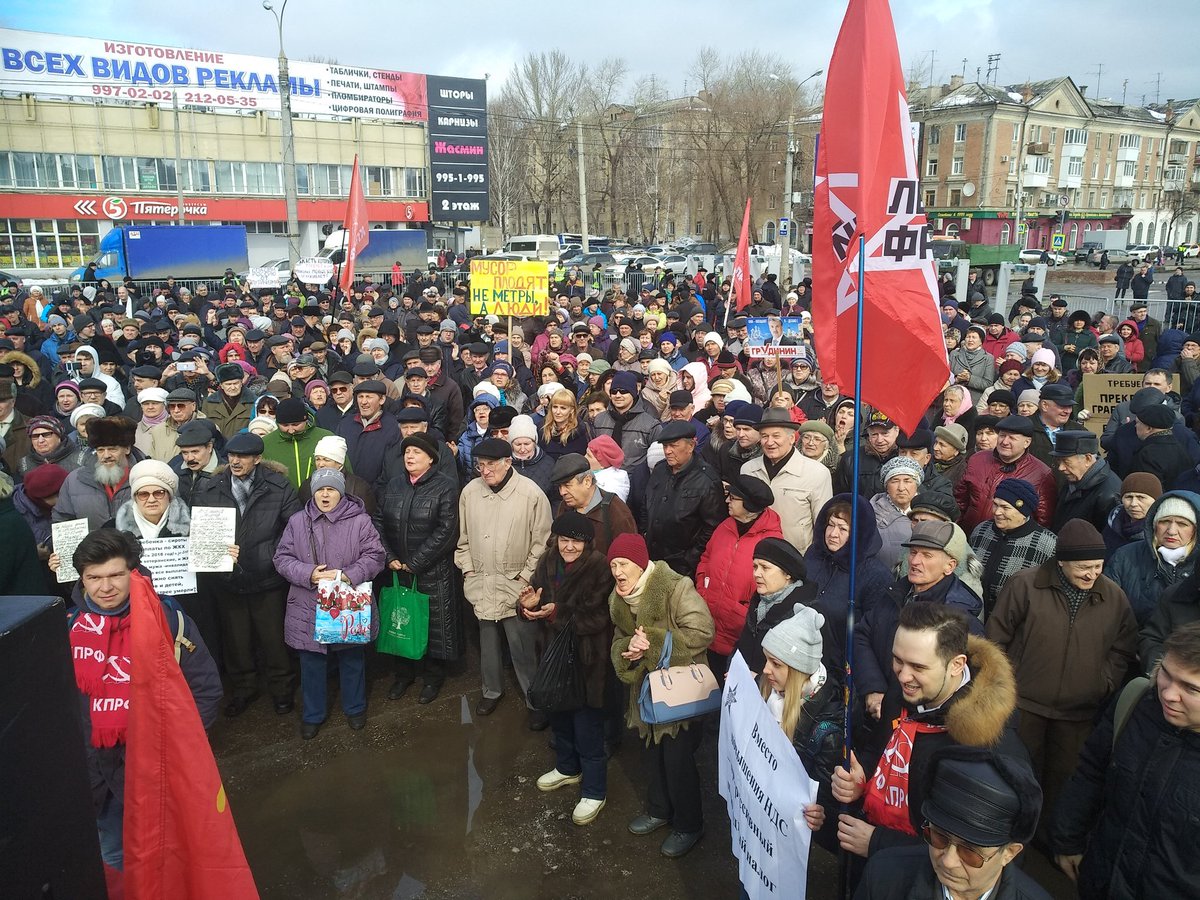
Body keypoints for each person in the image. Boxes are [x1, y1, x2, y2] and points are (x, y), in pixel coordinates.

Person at [68, 529, 221, 871]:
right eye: (93, 578)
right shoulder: (68, 629)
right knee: (115, 858)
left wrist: (180, 749)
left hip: (160, 769)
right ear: (82, 579)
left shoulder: (167, 618)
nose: (105, 588)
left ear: (133, 573)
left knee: (174, 857)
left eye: (115, 576)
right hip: (100, 778)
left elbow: (206, 689)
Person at [833, 602, 1025, 865]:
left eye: (918, 667)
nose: (902, 676)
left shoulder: (989, 745)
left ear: (957, 665)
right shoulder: (906, 691)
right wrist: (862, 776)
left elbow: (977, 856)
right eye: (897, 660)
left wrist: (879, 843)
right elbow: (877, 749)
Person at [987, 519, 1138, 843]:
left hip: (1078, 715)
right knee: (1015, 778)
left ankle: (1048, 847)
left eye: (1097, 566)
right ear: (1061, 562)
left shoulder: (1114, 598)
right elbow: (995, 639)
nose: (1091, 574)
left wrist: (1103, 682)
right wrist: (1006, 682)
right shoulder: (1025, 585)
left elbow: (1123, 648)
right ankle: (1008, 840)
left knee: (1062, 784)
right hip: (1022, 707)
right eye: (1083, 567)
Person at [1052, 622, 1200, 899]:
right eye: (1166, 675)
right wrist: (1067, 841)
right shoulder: (1137, 704)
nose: (1168, 694)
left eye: (1191, 689)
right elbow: (1091, 771)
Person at [608, 532, 715, 859]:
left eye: (623, 563)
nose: (617, 571)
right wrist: (628, 647)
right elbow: (618, 639)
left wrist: (653, 642)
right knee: (651, 753)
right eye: (612, 564)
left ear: (640, 565)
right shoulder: (617, 598)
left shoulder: (675, 586)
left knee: (677, 759)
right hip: (646, 692)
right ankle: (659, 810)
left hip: (679, 690)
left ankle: (689, 824)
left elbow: (703, 631)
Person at [193, 431, 300, 718]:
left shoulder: (279, 487)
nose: (235, 461)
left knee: (274, 639)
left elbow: (293, 530)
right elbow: (202, 529)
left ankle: (281, 690)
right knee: (236, 641)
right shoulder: (212, 487)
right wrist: (216, 556)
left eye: (242, 456)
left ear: (257, 458)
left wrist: (270, 557)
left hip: (268, 579)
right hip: (228, 581)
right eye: (231, 456)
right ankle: (244, 689)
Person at [273, 467, 385, 739]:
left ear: (341, 492)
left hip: (347, 602)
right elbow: (282, 558)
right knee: (311, 662)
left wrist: (349, 574)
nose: (325, 494)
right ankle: (313, 715)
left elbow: (375, 555)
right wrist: (308, 574)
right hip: (308, 604)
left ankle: (355, 708)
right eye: (321, 489)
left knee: (351, 659)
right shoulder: (298, 521)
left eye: (331, 489)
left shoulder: (360, 521)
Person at [855, 747, 1050, 900]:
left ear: (1009, 853)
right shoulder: (882, 877)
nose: (948, 861)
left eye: (970, 853)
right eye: (939, 838)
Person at [526, 511, 615, 827]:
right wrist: (527, 605)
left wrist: (555, 613)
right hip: (552, 656)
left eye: (576, 542)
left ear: (587, 543)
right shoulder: (547, 560)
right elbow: (534, 598)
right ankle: (566, 767)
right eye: (565, 540)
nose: (569, 547)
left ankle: (594, 790)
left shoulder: (600, 567)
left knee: (587, 727)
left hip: (586, 660)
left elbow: (598, 618)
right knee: (559, 718)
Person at [455, 437, 551, 723]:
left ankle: (535, 700)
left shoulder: (531, 494)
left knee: (523, 647)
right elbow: (464, 539)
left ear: (508, 462)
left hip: (516, 585)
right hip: (482, 581)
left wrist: (525, 576)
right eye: (480, 465)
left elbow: (542, 542)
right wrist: (468, 570)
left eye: (491, 465)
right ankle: (491, 690)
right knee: (487, 644)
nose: (485, 471)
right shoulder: (470, 492)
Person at [854, 521, 985, 721]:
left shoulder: (958, 618)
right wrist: (873, 688)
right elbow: (862, 633)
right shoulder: (894, 593)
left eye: (927, 555)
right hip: (876, 715)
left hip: (917, 724)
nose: (915, 561)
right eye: (914, 552)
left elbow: (967, 688)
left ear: (950, 566)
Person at [375, 432, 463, 704]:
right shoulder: (394, 484)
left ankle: (432, 678)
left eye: (416, 452)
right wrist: (389, 556)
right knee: (401, 622)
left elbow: (447, 529)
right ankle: (403, 675)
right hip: (396, 568)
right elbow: (378, 521)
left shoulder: (445, 486)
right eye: (407, 452)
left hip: (432, 571)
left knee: (431, 626)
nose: (409, 457)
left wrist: (416, 562)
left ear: (431, 458)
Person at [758, 605, 843, 853]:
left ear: (798, 671)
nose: (765, 670)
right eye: (766, 660)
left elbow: (825, 800)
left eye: (775, 663)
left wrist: (820, 813)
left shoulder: (827, 733)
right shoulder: (766, 687)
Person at [695, 474, 783, 681]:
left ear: (750, 505)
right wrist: (702, 589)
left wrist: (742, 610)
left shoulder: (771, 541)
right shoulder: (725, 527)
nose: (727, 501)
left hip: (740, 635)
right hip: (708, 625)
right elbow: (706, 558)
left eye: (733, 498)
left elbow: (773, 589)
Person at [640, 420, 725, 578]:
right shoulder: (659, 470)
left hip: (683, 567)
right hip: (652, 558)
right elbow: (646, 504)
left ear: (691, 446)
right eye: (665, 446)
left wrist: (690, 559)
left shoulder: (707, 479)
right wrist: (645, 533)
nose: (668, 451)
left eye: (673, 446)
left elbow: (713, 527)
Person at [742, 408, 832, 553]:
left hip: (797, 558)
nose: (769, 442)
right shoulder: (748, 470)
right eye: (764, 436)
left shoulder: (817, 473)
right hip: (753, 555)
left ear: (791, 439)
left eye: (776, 436)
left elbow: (822, 524)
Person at [1104, 491, 1200, 626]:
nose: (1171, 531)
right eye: (1165, 521)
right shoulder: (1124, 557)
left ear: (1195, 530)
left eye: (1182, 524)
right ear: (1154, 525)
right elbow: (1107, 610)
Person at [968, 478, 1058, 619]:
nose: (997, 512)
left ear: (1023, 511)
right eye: (995, 505)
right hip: (973, 616)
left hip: (1014, 623)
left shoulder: (1048, 544)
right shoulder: (981, 530)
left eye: (1005, 507)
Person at [955, 415, 1056, 534]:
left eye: (1012, 438)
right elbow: (960, 500)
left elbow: (1043, 520)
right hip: (967, 535)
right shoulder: (977, 460)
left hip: (1008, 543)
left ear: (1027, 442)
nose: (1005, 442)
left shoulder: (1041, 474)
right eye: (1002, 435)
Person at [54, 416, 137, 531]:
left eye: (112, 449)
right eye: (100, 450)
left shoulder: (145, 477)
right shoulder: (75, 480)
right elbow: (63, 521)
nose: (106, 455)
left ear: (127, 449)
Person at [549, 453, 636, 557]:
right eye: (560, 487)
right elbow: (552, 546)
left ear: (587, 481)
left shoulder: (616, 511)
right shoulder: (565, 506)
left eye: (567, 485)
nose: (562, 492)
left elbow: (628, 559)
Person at [1051, 430, 1122, 531]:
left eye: (1066, 462)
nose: (1061, 468)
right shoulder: (1073, 479)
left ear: (1088, 459)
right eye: (1059, 461)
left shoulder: (1109, 495)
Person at [260, 397, 335, 491]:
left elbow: (345, 472)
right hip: (283, 502)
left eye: (296, 424)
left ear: (306, 420)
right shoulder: (266, 443)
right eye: (285, 425)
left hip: (321, 500)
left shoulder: (326, 438)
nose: (291, 430)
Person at [871, 456, 923, 571]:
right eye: (895, 481)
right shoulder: (871, 515)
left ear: (916, 484)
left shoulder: (930, 513)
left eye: (907, 481)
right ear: (886, 487)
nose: (901, 488)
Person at [1128, 402, 1192, 489]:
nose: (1135, 426)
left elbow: (1149, 489)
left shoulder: (1147, 454)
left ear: (1148, 429)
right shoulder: (1182, 448)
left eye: (1138, 422)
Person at [1104, 472, 1162, 553]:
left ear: (1156, 501)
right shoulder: (1113, 524)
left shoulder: (1162, 532)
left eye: (1141, 497)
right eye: (1129, 497)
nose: (1133, 504)